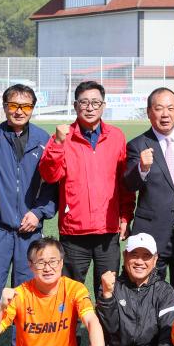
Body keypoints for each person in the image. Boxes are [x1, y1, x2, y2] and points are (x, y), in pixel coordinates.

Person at [0, 84, 57, 346]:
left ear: (33, 109)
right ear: (4, 107)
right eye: (14, 105)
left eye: (26, 106)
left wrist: (38, 213)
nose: (19, 111)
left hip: (30, 231)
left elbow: (52, 184)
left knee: (28, 291)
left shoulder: (43, 139)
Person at [39, 80, 134, 285]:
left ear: (103, 106)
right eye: (84, 102)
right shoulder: (62, 137)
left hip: (107, 230)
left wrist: (126, 216)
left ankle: (104, 320)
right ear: (75, 106)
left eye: (95, 102)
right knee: (72, 291)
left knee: (108, 291)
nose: (90, 107)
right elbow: (50, 175)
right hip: (74, 231)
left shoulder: (116, 137)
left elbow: (124, 183)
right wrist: (57, 143)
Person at [123, 87, 174, 298]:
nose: (165, 114)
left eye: (170, 108)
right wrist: (142, 167)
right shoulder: (137, 144)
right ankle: (149, 331)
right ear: (149, 112)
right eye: (159, 109)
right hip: (151, 231)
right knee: (147, 291)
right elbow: (130, 184)